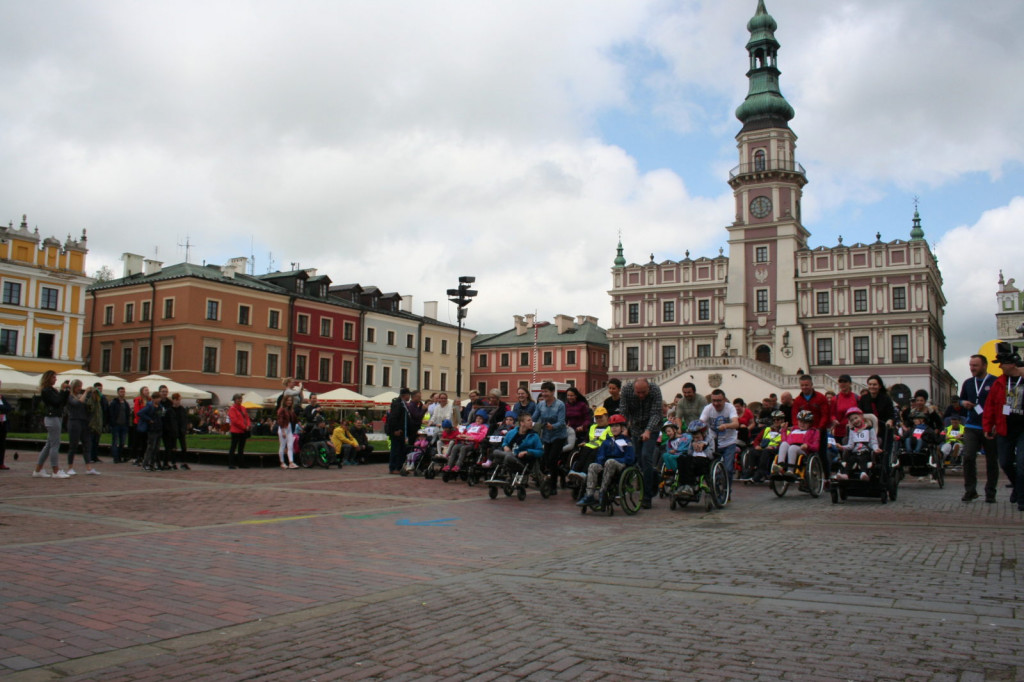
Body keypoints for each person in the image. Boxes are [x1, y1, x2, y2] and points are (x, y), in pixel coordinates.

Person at [982, 342, 1024, 511]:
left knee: (1022, 463)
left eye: (1002, 363)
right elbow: (990, 406)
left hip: (1023, 428)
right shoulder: (999, 383)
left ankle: (1022, 498)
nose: (1000, 367)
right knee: (1005, 462)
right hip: (1005, 427)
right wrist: (987, 426)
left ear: (1012, 363)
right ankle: (1017, 486)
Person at [958, 353, 998, 503]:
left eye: (975, 365)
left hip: (989, 427)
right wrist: (964, 404)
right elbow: (961, 399)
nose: (972, 368)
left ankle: (990, 492)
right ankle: (970, 490)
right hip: (971, 425)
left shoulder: (994, 382)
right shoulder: (968, 383)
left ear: (984, 366)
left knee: (992, 460)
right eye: (970, 365)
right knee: (968, 457)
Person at [620, 378, 664, 509]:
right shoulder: (626, 390)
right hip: (635, 427)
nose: (641, 395)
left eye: (644, 392)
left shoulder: (655, 390)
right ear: (634, 389)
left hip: (652, 427)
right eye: (638, 392)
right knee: (638, 459)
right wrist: (624, 427)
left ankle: (647, 496)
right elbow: (623, 410)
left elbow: (656, 414)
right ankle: (653, 476)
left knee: (646, 456)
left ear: (648, 388)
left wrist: (648, 431)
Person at [576, 414, 635, 508]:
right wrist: (600, 463)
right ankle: (589, 495)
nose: (614, 428)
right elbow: (600, 455)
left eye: (616, 426)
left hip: (621, 465)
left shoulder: (627, 441)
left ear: (622, 427)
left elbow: (630, 458)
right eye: (612, 426)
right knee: (593, 465)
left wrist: (614, 460)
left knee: (610, 462)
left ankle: (603, 492)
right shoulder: (606, 441)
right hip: (606, 465)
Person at [33, 371, 70, 478]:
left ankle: (38, 469)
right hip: (51, 417)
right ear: (48, 378)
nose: (55, 379)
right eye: (53, 377)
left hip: (56, 416)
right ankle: (55, 470)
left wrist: (66, 391)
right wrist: (62, 391)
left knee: (49, 445)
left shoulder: (52, 390)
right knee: (55, 444)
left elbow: (62, 402)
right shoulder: (46, 391)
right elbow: (56, 401)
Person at [532, 381, 567, 494]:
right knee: (546, 460)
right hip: (546, 436)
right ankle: (561, 472)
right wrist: (528, 423)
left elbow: (562, 422)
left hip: (558, 436)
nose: (544, 394)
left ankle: (553, 487)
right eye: (542, 391)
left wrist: (553, 426)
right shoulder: (540, 405)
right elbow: (534, 418)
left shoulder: (560, 405)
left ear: (552, 392)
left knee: (552, 460)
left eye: (546, 391)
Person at [699, 389, 740, 486]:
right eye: (714, 400)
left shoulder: (730, 408)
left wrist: (725, 426)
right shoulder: (708, 408)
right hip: (713, 441)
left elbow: (736, 423)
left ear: (724, 400)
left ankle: (727, 490)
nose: (716, 403)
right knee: (710, 467)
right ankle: (714, 488)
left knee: (728, 468)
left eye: (719, 401)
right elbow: (701, 422)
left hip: (729, 442)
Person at [566, 406, 612, 484]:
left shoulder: (610, 428)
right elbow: (587, 438)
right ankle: (574, 472)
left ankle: (584, 473)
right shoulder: (592, 427)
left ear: (606, 416)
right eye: (597, 418)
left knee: (592, 455)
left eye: (601, 417)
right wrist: (584, 442)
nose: (599, 420)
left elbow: (611, 440)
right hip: (589, 446)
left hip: (602, 448)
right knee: (583, 453)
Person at [835, 407, 882, 481]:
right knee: (850, 460)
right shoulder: (852, 431)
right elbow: (850, 445)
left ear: (861, 416)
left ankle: (864, 473)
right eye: (852, 420)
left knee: (862, 458)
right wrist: (842, 447)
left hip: (865, 451)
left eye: (856, 418)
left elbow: (873, 442)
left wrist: (876, 449)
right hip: (855, 452)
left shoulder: (869, 429)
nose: (855, 421)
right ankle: (845, 474)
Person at [65, 380, 99, 475]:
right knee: (73, 445)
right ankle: (70, 467)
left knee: (87, 444)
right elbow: (77, 403)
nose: (80, 388)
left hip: (84, 422)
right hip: (74, 421)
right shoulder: (70, 396)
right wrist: (85, 392)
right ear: (74, 387)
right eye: (78, 386)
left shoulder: (82, 396)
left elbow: (89, 405)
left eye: (81, 386)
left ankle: (88, 468)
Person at [772, 410, 819, 474]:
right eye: (800, 421)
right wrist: (784, 431)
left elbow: (816, 446)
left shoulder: (814, 432)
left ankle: (790, 470)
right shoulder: (794, 430)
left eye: (805, 422)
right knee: (784, 444)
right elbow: (785, 441)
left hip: (803, 450)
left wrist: (808, 446)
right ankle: (780, 466)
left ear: (810, 423)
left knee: (793, 448)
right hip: (791, 447)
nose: (802, 424)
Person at [675, 419, 711, 497]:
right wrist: (692, 446)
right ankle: (682, 485)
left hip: (703, 461)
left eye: (698, 437)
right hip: (692, 460)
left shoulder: (709, 439)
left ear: (703, 434)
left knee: (690, 461)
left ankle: (690, 485)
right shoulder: (692, 441)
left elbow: (711, 454)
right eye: (694, 437)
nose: (696, 439)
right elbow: (689, 453)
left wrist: (704, 446)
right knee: (681, 459)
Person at [858, 375, 896, 448]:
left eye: (874, 384)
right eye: (870, 384)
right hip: (868, 429)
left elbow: (891, 414)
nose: (872, 386)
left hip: (883, 429)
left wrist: (890, 420)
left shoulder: (886, 399)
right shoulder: (863, 398)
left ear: (879, 386)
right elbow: (860, 413)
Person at [750, 410, 787, 483]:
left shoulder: (786, 431)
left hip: (775, 449)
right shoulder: (767, 429)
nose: (776, 421)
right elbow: (757, 439)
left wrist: (773, 447)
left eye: (778, 419)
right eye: (774, 419)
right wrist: (756, 445)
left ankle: (761, 472)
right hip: (764, 448)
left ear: (783, 420)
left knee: (766, 452)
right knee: (752, 451)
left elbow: (785, 443)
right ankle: (750, 471)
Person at [136, 391, 165, 472]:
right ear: (154, 399)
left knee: (156, 448)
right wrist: (149, 420)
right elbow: (140, 413)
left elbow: (161, 415)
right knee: (150, 447)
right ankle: (145, 464)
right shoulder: (150, 406)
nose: (159, 400)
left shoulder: (160, 406)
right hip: (152, 429)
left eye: (159, 398)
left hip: (159, 429)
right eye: (158, 398)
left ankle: (152, 463)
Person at [386, 388, 412, 474]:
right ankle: (394, 468)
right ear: (405, 395)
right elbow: (393, 418)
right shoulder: (398, 404)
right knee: (396, 450)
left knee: (401, 450)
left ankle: (399, 467)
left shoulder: (402, 403)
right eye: (409, 395)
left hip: (401, 431)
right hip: (397, 432)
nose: (409, 397)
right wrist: (395, 430)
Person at [830, 374, 860, 444]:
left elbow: (861, 414)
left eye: (845, 382)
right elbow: (831, 414)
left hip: (855, 431)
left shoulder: (857, 398)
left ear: (850, 383)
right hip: (839, 432)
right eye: (840, 382)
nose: (843, 384)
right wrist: (834, 420)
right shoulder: (835, 399)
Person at [227, 393, 252, 469]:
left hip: (243, 431)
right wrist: (244, 427)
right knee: (233, 447)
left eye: (241, 399)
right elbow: (235, 421)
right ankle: (231, 463)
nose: (240, 400)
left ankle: (241, 463)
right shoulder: (232, 409)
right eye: (238, 399)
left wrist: (248, 425)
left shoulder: (243, 408)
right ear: (234, 400)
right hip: (236, 431)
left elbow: (247, 417)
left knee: (241, 448)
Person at [108, 386, 132, 463]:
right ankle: (115, 457)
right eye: (121, 391)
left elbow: (128, 413)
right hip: (116, 425)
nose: (122, 393)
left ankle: (119, 456)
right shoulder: (114, 402)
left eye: (123, 392)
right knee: (115, 441)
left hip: (124, 425)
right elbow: (111, 413)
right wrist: (113, 422)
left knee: (122, 442)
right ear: (118, 393)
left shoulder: (125, 403)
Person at [86, 382, 106, 464]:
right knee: (91, 441)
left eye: (101, 389)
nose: (99, 391)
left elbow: (104, 409)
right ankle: (90, 457)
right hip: (92, 424)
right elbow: (90, 410)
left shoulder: (101, 399)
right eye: (97, 389)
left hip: (98, 423)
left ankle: (95, 456)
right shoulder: (90, 400)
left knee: (96, 442)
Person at [277, 395, 299, 469]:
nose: (289, 402)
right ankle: (282, 462)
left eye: (290, 400)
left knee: (290, 445)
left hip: (289, 428)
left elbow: (295, 418)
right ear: (285, 401)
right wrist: (283, 431)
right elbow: (280, 420)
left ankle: (291, 462)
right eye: (288, 400)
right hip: (283, 428)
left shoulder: (290, 410)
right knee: (282, 445)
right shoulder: (282, 409)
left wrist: (300, 425)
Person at [170, 393, 190, 469]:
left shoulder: (182, 409)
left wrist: (184, 428)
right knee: (173, 447)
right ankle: (173, 463)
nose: (178, 401)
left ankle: (183, 462)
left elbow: (185, 419)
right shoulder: (170, 410)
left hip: (181, 431)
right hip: (173, 431)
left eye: (179, 400)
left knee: (184, 447)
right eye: (177, 400)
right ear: (173, 400)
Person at [0, 380, 12, 470]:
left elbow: (9, 407)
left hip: (3, 423)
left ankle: (1, 463)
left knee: (2, 444)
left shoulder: (1, 397)